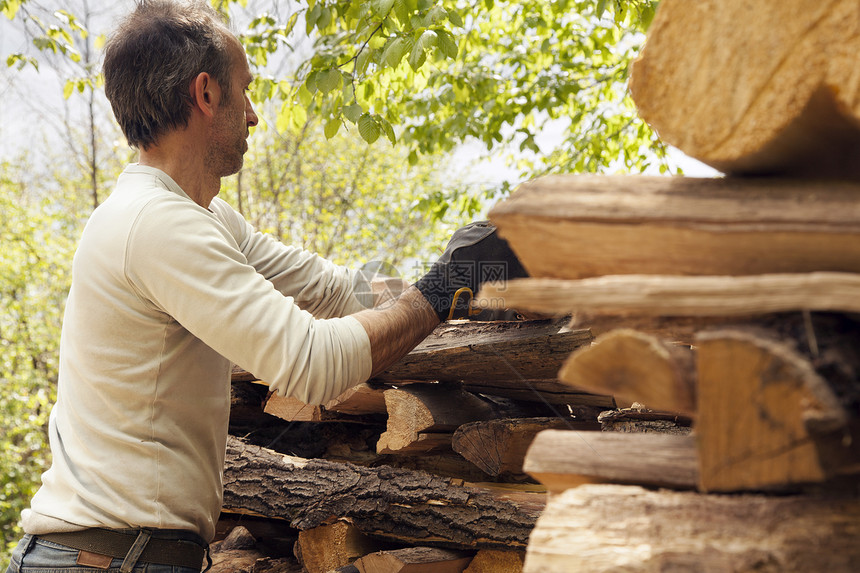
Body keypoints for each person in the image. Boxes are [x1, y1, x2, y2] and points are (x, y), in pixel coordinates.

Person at [4, 1, 526, 572]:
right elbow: (311, 362)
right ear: (205, 95)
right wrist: (447, 283)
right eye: (245, 91)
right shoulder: (156, 226)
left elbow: (337, 291)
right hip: (105, 560)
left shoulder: (198, 216)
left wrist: (475, 284)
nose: (253, 115)